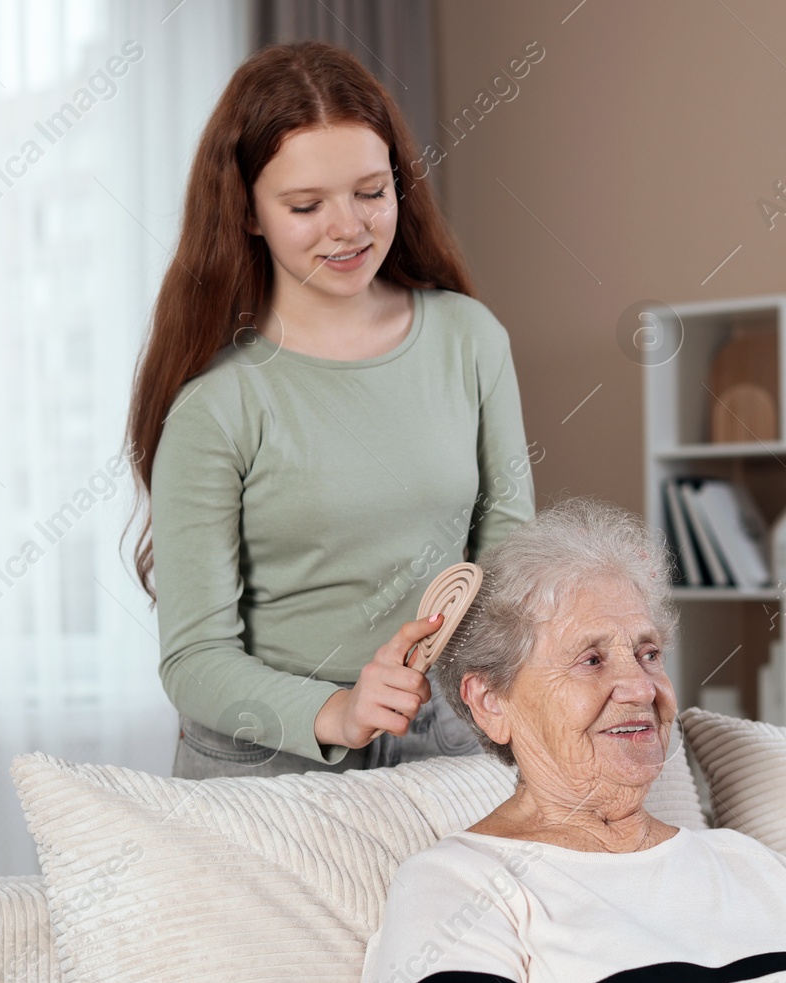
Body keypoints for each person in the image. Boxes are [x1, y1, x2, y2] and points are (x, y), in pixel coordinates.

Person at [356, 499, 786, 983]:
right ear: (490, 702)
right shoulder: (456, 888)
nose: (642, 689)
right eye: (592, 660)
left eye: (648, 654)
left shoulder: (754, 867)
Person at [125, 41, 535, 779]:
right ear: (247, 213)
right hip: (269, 758)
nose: (348, 228)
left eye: (372, 192)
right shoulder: (218, 408)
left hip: (443, 736)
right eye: (307, 205)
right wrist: (340, 710)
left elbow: (508, 551)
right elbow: (193, 659)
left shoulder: (469, 339)